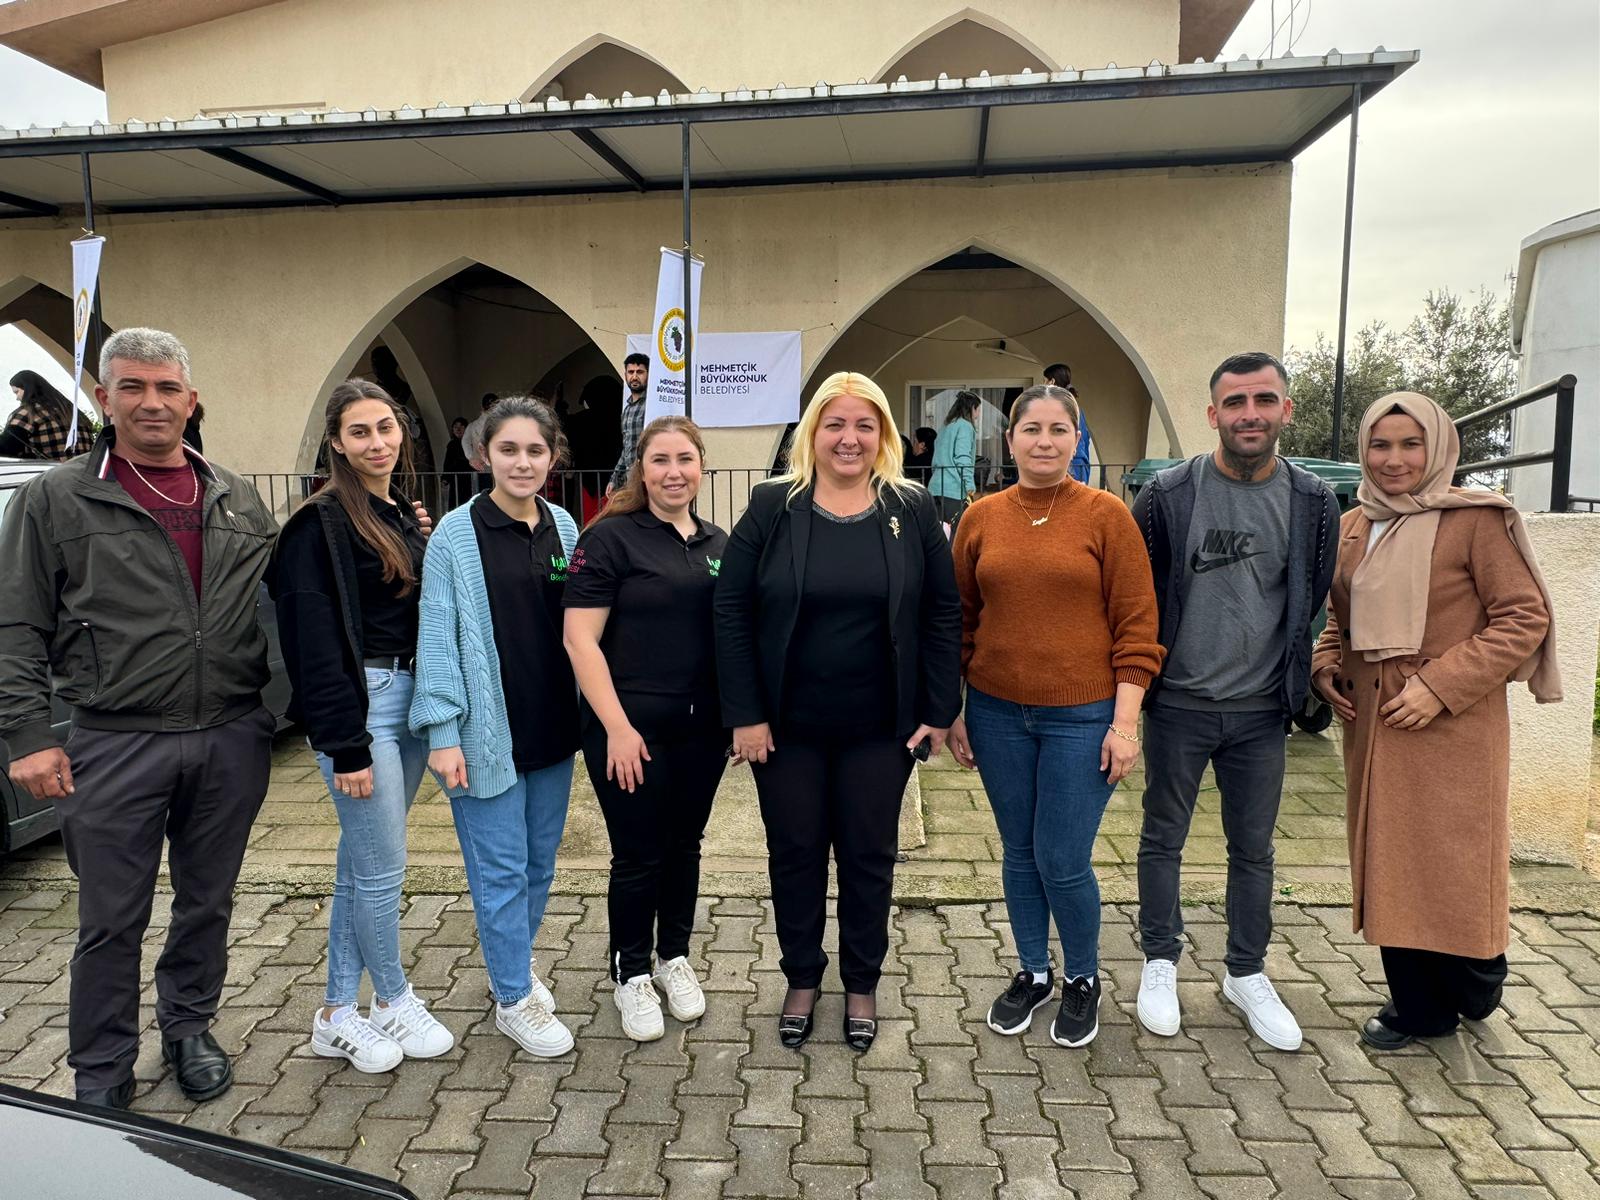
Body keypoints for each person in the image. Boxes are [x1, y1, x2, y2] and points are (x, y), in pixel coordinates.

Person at [0, 328, 279, 1109]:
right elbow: (16, 622)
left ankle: (188, 1027)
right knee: (111, 918)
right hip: (116, 740)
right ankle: (101, 1070)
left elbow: (295, 588)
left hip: (229, 734)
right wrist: (27, 736)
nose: (151, 402)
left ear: (191, 401)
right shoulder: (57, 497)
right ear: (104, 398)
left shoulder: (235, 494)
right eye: (132, 386)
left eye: (166, 388)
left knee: (207, 902)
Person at [714, 372, 961, 1052]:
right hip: (785, 727)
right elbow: (731, 608)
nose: (849, 438)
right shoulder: (774, 505)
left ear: (883, 435)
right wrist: (744, 713)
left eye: (864, 425)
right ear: (812, 433)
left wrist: (940, 708)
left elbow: (943, 611)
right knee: (794, 853)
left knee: (867, 856)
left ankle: (860, 982)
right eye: (835, 424)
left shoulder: (910, 508)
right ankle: (801, 977)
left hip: (880, 728)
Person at [1311, 392, 1558, 1050]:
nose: (1393, 459)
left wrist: (1438, 687)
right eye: (1380, 445)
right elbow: (1340, 615)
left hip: (1450, 725)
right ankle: (1421, 1007)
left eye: (1410, 444)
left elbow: (1524, 618)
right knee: (1392, 861)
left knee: (1451, 860)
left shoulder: (1476, 520)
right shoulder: (1356, 523)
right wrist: (1326, 664)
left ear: (1440, 448)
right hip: (1375, 722)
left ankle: (1478, 976)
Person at [1130, 351, 1338, 1053]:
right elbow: (1135, 595)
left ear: (1286, 409)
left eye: (1264, 400)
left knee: (1253, 848)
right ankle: (1160, 960)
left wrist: (1303, 677)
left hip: (1260, 712)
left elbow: (1311, 596)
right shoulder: (1167, 496)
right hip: (1178, 705)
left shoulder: (1313, 502)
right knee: (1163, 838)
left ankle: (1245, 972)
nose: (1251, 414)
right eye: (1236, 402)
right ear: (1213, 413)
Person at [948, 385, 1162, 1047]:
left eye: (1058, 429)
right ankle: (1034, 971)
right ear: (1010, 440)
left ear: (1076, 440)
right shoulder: (981, 518)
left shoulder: (1106, 516)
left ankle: (1083, 977)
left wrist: (1125, 725)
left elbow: (1137, 627)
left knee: (1061, 858)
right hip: (995, 714)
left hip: (1083, 717)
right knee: (1019, 853)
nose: (1044, 441)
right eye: (1031, 429)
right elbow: (958, 621)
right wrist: (954, 710)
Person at [270, 380, 455, 1075]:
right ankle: (393, 1000)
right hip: (364, 707)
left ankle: (335, 1013)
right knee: (382, 871)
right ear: (337, 443)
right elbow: (310, 641)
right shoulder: (316, 525)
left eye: (385, 427)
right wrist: (345, 743)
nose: (377, 443)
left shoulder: (397, 512)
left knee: (361, 864)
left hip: (410, 698)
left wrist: (420, 538)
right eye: (359, 432)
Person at [410, 396, 582, 1058]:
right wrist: (443, 732)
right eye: (509, 449)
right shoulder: (456, 535)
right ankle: (513, 997)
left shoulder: (564, 526)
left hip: (554, 728)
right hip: (486, 734)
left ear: (553, 457)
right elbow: (438, 636)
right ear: (484, 455)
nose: (522, 462)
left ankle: (513, 967)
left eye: (535, 450)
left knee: (538, 865)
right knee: (501, 871)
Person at [563, 416, 729, 1042]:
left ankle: (673, 957)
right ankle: (630, 972)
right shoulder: (609, 538)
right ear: (641, 468)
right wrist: (617, 728)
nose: (673, 472)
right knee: (638, 853)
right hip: (628, 729)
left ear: (701, 467)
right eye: (660, 460)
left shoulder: (718, 543)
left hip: (702, 730)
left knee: (685, 845)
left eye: (685, 459)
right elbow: (579, 640)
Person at [2, 369, 89, 460]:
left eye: (16, 392)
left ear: (28, 388)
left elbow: (6, 450)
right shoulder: (76, 414)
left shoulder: (27, 414)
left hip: (49, 468)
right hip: (83, 468)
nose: (17, 398)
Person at [928, 389, 978, 528]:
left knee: (940, 534)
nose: (978, 415)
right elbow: (962, 457)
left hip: (935, 487)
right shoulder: (965, 426)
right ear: (972, 408)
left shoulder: (946, 426)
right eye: (978, 410)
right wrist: (969, 485)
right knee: (958, 535)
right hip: (954, 489)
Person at [1042, 364, 1094, 485]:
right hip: (1079, 463)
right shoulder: (1074, 406)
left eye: (1044, 381)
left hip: (1069, 465)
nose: (1043, 385)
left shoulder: (1060, 407)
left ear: (1052, 382)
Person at [608, 353, 649, 496]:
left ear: (648, 374)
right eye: (631, 372)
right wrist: (614, 479)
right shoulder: (627, 410)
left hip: (649, 477)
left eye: (640, 372)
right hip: (630, 480)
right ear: (625, 375)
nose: (635, 377)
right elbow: (626, 449)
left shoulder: (652, 405)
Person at [442, 416, 472, 509]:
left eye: (461, 427)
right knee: (456, 502)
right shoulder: (452, 444)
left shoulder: (471, 443)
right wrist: (445, 477)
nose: (458, 430)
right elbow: (447, 462)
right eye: (455, 427)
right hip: (456, 479)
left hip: (469, 478)